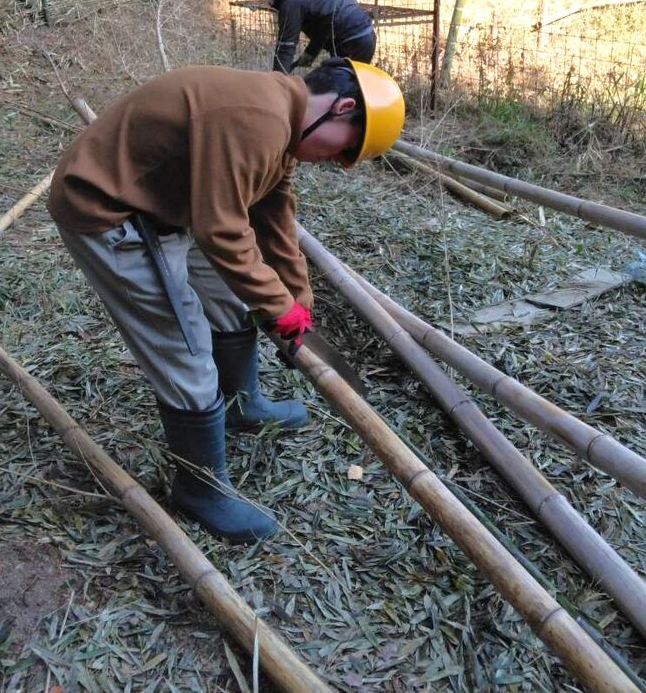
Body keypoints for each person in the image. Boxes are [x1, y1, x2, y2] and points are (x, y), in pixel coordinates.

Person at [47, 58, 405, 543]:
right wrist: (278, 309)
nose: (335, 161)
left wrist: (297, 301)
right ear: (341, 108)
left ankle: (241, 405)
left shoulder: (281, 119)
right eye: (345, 149)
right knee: (186, 346)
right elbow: (221, 231)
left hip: (170, 204)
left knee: (230, 298)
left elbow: (274, 216)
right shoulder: (258, 119)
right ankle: (200, 488)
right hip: (111, 208)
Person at [253, 0, 376, 75]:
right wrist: (310, 53)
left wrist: (277, 80)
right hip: (365, 36)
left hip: (351, 42)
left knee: (330, 86)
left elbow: (286, 45)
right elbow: (326, 24)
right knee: (350, 84)